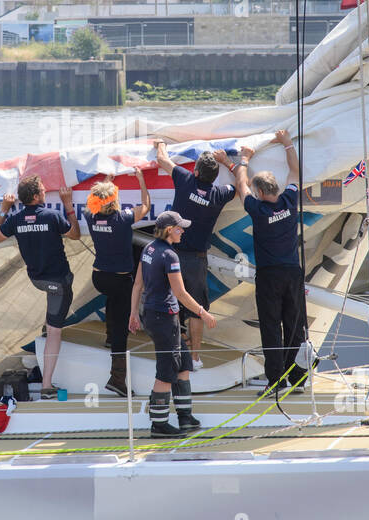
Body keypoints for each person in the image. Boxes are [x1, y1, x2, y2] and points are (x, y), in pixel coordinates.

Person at [128, 211, 216, 436]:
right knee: (166, 371)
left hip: (155, 315)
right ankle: (159, 424)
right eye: (179, 228)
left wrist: (133, 314)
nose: (183, 231)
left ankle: (185, 417)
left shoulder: (148, 249)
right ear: (169, 230)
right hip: (163, 318)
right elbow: (181, 293)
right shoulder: (169, 255)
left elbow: (137, 284)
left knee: (184, 363)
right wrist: (203, 313)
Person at [0, 176, 80, 398]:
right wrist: (68, 205)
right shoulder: (51, 216)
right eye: (42, 189)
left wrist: (3, 210)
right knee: (54, 332)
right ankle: (47, 386)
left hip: (37, 280)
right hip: (58, 283)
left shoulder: (15, 219)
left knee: (51, 324)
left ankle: (44, 364)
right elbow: (75, 234)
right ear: (35, 196)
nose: (45, 191)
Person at [233, 131, 308, 394]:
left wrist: (242, 159)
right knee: (295, 326)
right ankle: (298, 379)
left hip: (269, 276)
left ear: (261, 192)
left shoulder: (258, 210)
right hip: (293, 273)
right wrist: (287, 143)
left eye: (256, 190)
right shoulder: (289, 200)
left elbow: (241, 185)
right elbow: (296, 172)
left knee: (271, 328)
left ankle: (277, 382)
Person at [154, 141, 237, 369]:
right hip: (196, 260)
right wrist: (229, 163)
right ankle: (196, 358)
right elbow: (241, 186)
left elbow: (162, 159)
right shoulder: (220, 194)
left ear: (196, 171)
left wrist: (161, 142)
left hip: (171, 254)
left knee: (169, 302)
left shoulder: (185, 179)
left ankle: (173, 353)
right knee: (197, 309)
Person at [83, 168, 152, 396]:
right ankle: (117, 379)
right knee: (122, 322)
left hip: (99, 277)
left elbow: (92, 201)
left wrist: (107, 182)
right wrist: (142, 180)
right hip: (120, 279)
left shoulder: (90, 216)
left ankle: (109, 336)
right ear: (115, 200)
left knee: (112, 298)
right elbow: (146, 206)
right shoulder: (123, 219)